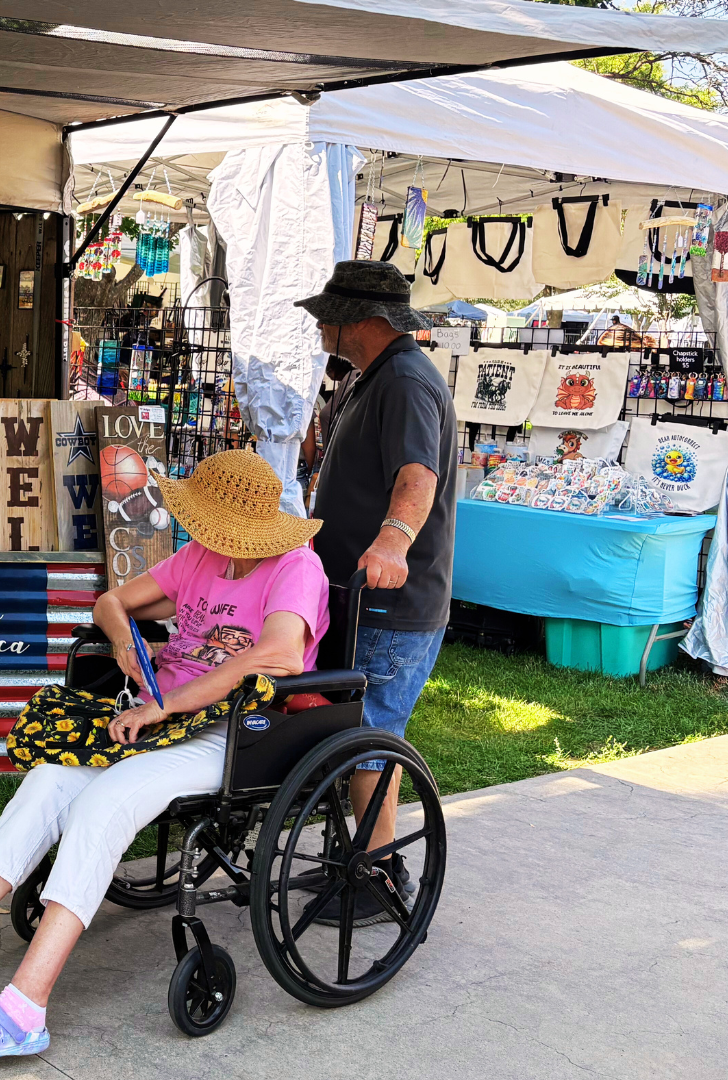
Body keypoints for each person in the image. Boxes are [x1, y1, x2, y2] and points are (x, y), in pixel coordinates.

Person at [0, 450, 328, 1059]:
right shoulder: (201, 557)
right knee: (48, 781)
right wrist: (125, 638)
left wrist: (170, 701)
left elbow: (280, 655)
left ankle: (24, 1008)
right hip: (159, 716)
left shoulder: (296, 567)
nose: (211, 539)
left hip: (235, 731)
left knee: (101, 804)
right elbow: (112, 601)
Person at [296, 260, 453, 926]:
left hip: (390, 602)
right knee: (356, 733)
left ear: (360, 320)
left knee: (369, 735)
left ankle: (378, 874)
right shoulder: (376, 376)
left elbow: (417, 477)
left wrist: (391, 542)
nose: (321, 324)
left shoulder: (408, 382)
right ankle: (365, 855)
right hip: (358, 596)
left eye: (329, 313)